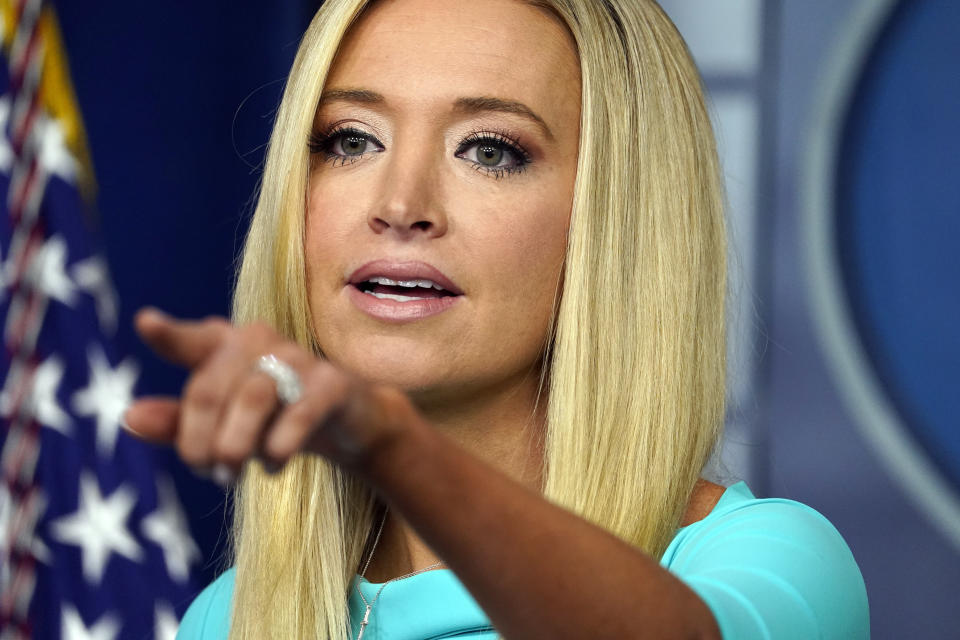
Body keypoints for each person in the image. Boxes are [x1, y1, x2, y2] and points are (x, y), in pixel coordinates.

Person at [123, 0, 870, 638]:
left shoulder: (774, 564)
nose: (400, 204)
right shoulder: (230, 618)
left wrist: (396, 449)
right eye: (352, 140)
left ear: (616, 223)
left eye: (489, 150)